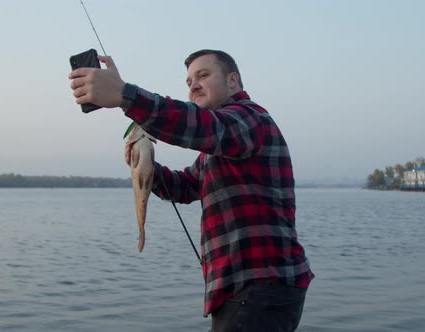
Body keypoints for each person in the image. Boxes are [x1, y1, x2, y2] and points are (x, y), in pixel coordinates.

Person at [69, 49, 314, 331]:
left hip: (258, 288)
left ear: (233, 81)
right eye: (188, 81)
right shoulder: (222, 144)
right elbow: (186, 186)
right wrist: (146, 167)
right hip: (247, 291)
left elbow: (200, 126)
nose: (193, 85)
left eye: (203, 75)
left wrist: (126, 95)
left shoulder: (250, 119)